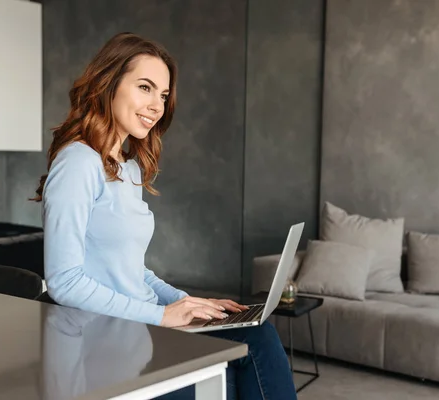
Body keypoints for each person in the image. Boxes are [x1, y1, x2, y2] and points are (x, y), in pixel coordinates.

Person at [32, 32, 296, 400]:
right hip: (103, 340)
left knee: (259, 334)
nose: (157, 105)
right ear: (108, 84)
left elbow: (132, 271)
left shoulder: (128, 169)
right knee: (235, 381)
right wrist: (162, 316)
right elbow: (65, 282)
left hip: (139, 328)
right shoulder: (78, 163)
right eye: (145, 87)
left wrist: (187, 303)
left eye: (164, 95)